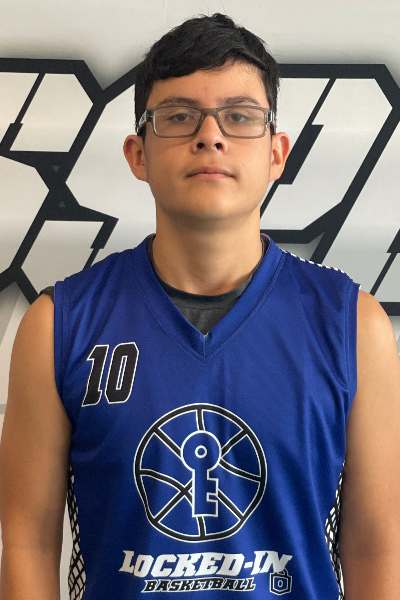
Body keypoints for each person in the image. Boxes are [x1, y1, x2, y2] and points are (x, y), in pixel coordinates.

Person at [1, 12, 400, 600]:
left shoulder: (354, 327)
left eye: (239, 117)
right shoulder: (59, 325)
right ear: (138, 153)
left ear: (277, 153)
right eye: (179, 115)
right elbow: (28, 542)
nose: (210, 135)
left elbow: (376, 546)